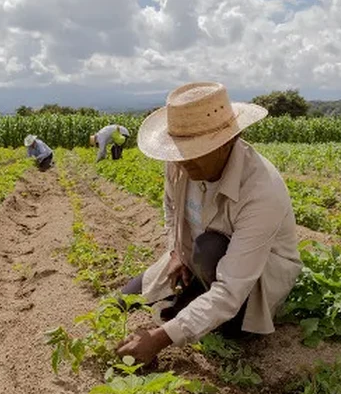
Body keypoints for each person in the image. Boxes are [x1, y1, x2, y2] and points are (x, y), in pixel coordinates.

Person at [116, 81, 303, 365]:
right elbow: (170, 206)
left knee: (210, 249)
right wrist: (176, 251)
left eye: (194, 151)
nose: (182, 161)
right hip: (196, 260)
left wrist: (159, 339)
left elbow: (231, 291)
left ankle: (218, 319)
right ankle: (192, 296)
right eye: (179, 151)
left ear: (227, 142)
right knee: (123, 300)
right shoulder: (179, 163)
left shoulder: (262, 190)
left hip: (251, 279)